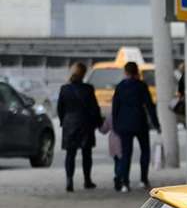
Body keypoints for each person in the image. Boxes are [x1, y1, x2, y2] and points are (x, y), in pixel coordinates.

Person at [111, 61, 159, 192]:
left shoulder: (120, 87)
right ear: (136, 71)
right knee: (145, 151)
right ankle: (143, 179)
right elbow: (150, 106)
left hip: (124, 124)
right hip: (140, 122)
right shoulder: (141, 86)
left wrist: (115, 125)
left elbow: (115, 107)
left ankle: (125, 183)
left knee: (126, 154)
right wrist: (156, 124)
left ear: (125, 72)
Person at [55, 62, 103, 192]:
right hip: (85, 124)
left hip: (69, 124)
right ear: (83, 74)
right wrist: (99, 122)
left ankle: (69, 181)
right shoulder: (88, 89)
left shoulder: (64, 89)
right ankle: (87, 180)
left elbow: (60, 108)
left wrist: (62, 121)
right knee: (86, 154)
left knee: (70, 154)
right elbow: (94, 108)